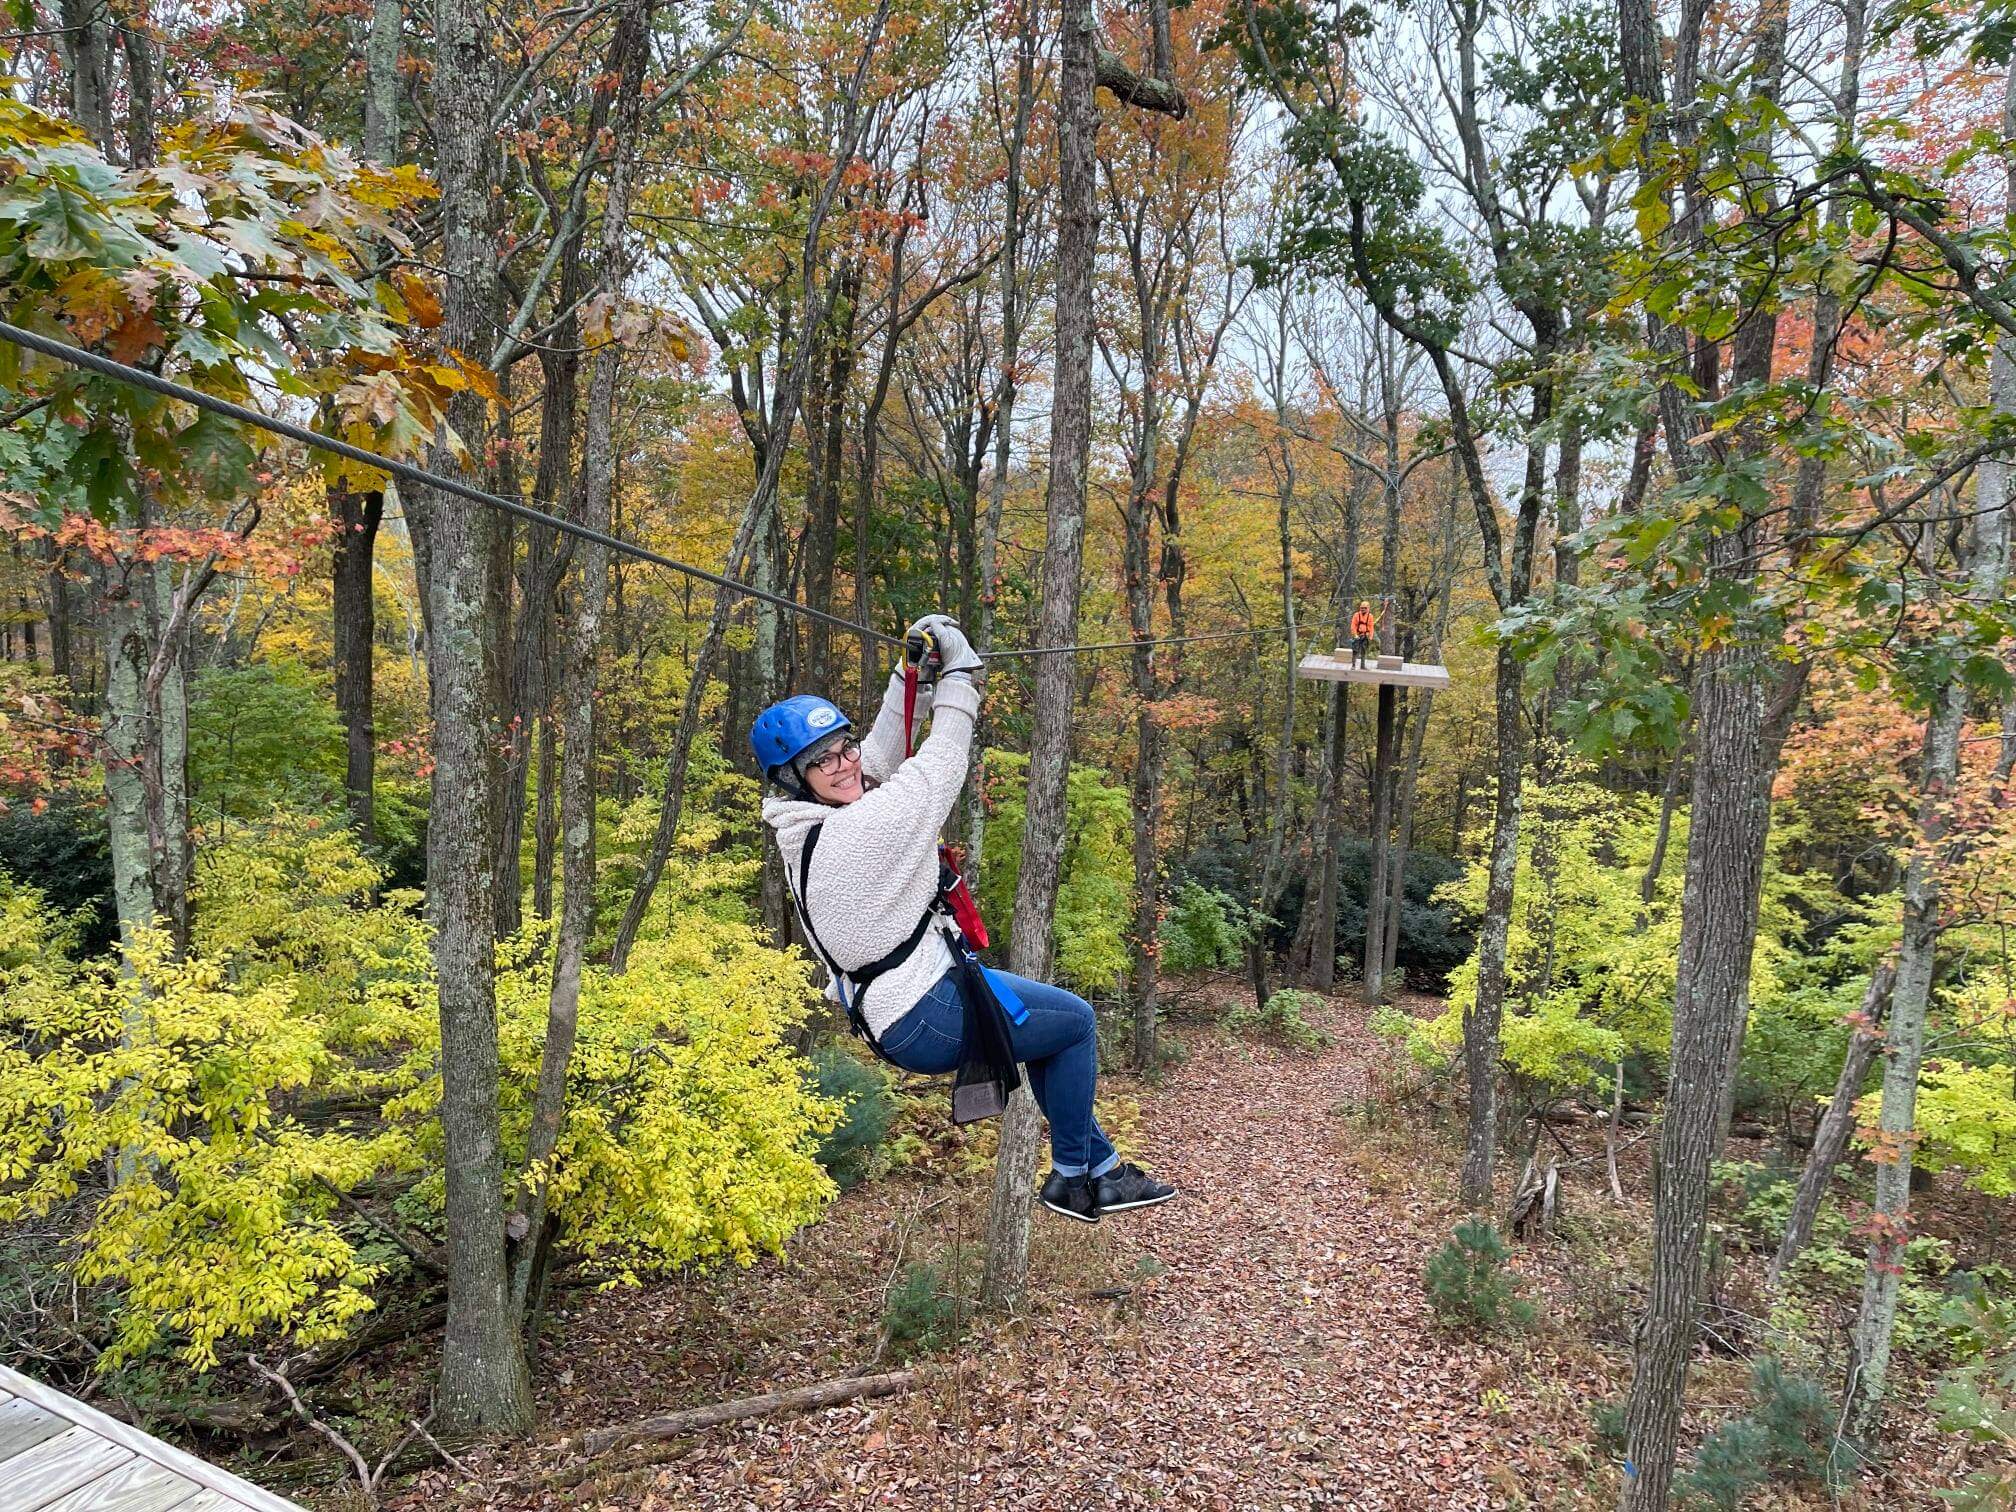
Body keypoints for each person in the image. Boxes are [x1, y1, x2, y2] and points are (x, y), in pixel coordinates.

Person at [750, 613, 1177, 1223]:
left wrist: (910, 676)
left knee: (1051, 1033)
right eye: (824, 762)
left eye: (843, 747)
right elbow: (939, 766)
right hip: (924, 1013)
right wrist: (960, 678)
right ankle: (1073, 1178)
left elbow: (877, 757)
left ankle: (1098, 1172)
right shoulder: (854, 833)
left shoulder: (811, 820)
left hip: (916, 998)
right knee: (1077, 1023)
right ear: (795, 779)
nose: (844, 765)